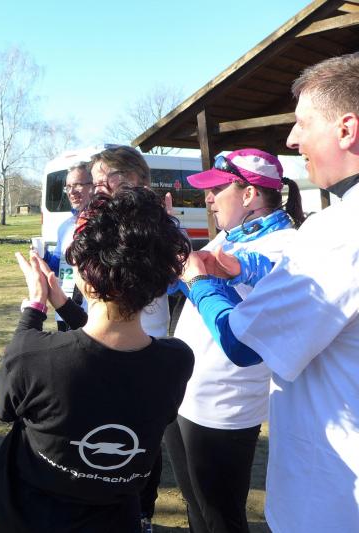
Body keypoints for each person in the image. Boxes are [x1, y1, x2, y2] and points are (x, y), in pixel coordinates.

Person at [180, 52, 359, 532]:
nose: (292, 139)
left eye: (303, 123)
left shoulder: (338, 232)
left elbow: (242, 343)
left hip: (333, 500)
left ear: (346, 130)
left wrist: (200, 282)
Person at [0, 186, 194, 533]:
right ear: (159, 281)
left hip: (29, 517)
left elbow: (5, 409)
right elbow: (108, 357)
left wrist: (35, 306)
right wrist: (63, 306)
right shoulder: (177, 362)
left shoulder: (34, 357)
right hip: (116, 519)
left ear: (85, 275)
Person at [164, 149, 304, 533]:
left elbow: (242, 330)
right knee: (196, 509)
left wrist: (201, 278)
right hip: (186, 396)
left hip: (223, 407)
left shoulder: (286, 244)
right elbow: (184, 283)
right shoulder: (228, 236)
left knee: (221, 518)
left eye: (217, 189)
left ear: (249, 194)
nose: (208, 198)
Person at [41, 145, 171, 532]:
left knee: (144, 436)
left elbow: (170, 280)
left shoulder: (159, 225)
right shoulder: (93, 222)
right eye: (95, 182)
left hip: (146, 343)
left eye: (106, 180)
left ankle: (143, 512)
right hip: (96, 335)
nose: (98, 189)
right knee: (99, 427)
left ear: (137, 180)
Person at [43, 160, 94, 331]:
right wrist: (43, 257)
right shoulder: (65, 226)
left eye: (78, 185)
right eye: (68, 187)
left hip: (93, 311)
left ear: (93, 186)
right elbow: (59, 266)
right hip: (64, 308)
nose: (72, 192)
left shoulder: (102, 224)